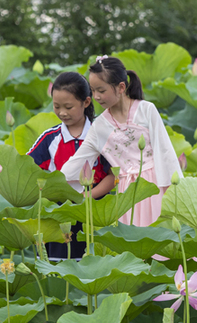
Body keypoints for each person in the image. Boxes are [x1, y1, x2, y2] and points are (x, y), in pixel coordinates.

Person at [61, 55, 182, 226]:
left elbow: (165, 152)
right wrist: (54, 184)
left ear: (121, 87)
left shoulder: (146, 110)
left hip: (155, 187)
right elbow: (79, 160)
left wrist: (175, 192)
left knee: (161, 240)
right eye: (92, 90)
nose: (96, 97)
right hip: (126, 194)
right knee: (132, 245)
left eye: (101, 91)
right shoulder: (100, 126)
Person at [27, 72, 114, 259]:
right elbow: (27, 171)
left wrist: (87, 196)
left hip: (94, 211)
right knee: (58, 269)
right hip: (58, 214)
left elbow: (113, 176)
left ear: (86, 102)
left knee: (92, 266)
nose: (62, 113)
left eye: (68, 107)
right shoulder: (49, 139)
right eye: (56, 106)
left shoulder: (102, 135)